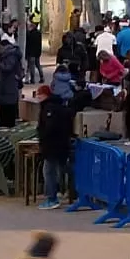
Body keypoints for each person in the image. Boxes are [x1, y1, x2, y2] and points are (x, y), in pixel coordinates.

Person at [35, 73, 87, 210]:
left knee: (49, 171)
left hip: (52, 145)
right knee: (62, 169)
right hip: (62, 144)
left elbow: (49, 127)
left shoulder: (49, 109)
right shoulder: (59, 107)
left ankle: (52, 197)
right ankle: (68, 193)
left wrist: (42, 138)